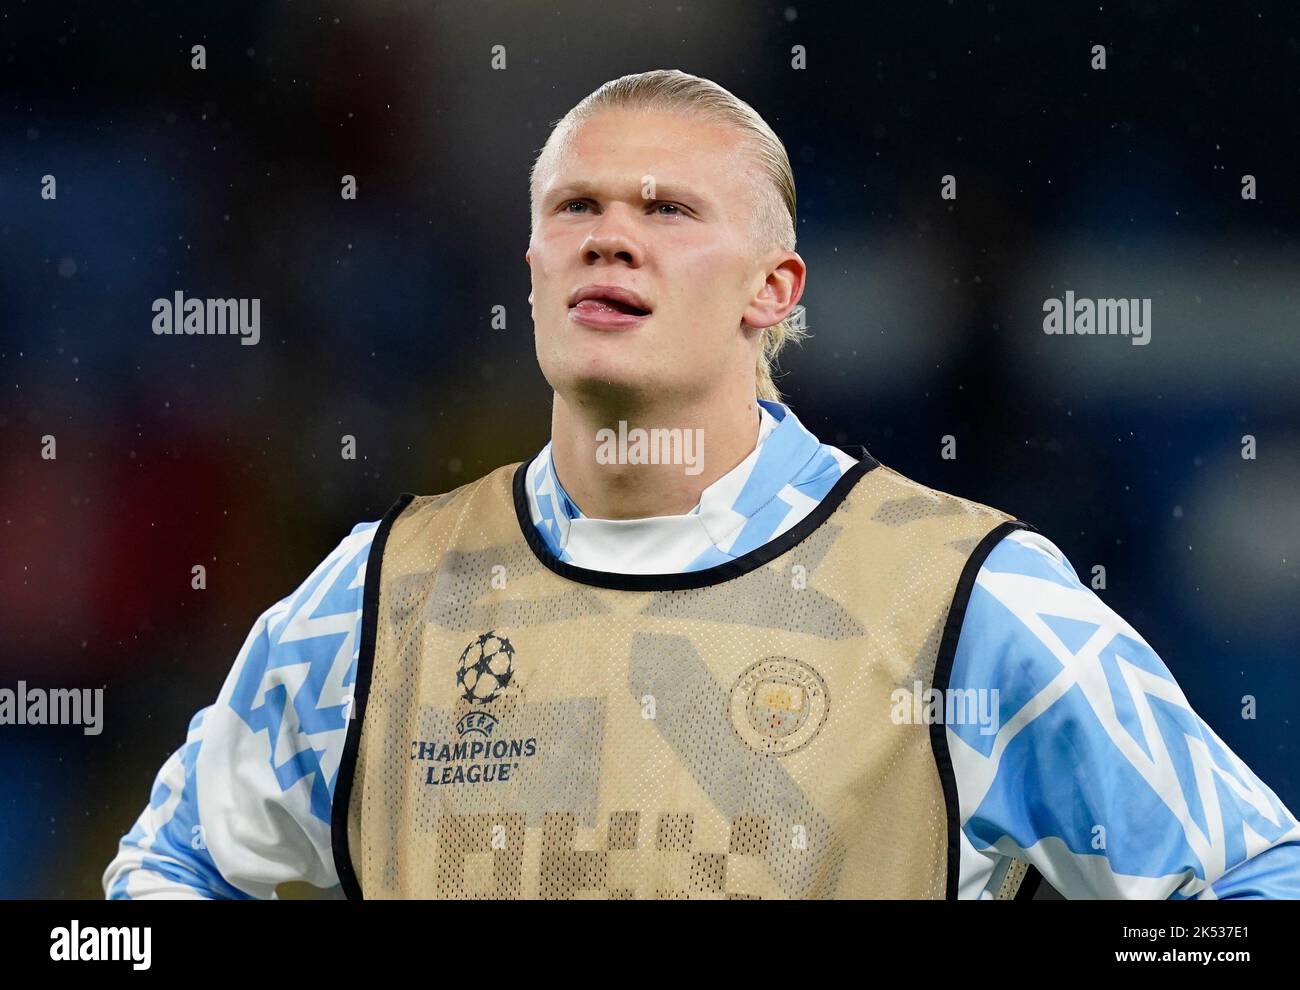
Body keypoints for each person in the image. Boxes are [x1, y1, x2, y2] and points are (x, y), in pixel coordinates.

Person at [104, 69, 1300, 900]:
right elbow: (150, 890)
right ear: (530, 269)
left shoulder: (968, 600)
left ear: (773, 291)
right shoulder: (372, 599)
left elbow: (1254, 876)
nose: (607, 236)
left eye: (666, 210)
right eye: (574, 207)